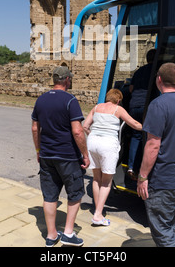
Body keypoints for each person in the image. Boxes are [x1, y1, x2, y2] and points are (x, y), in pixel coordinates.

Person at [137, 63, 175, 247]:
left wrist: (142, 177)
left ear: (159, 79)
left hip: (164, 179)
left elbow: (153, 145)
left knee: (162, 230)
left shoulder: (158, 105)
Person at [31, 66, 89, 247]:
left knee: (50, 196)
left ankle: (51, 235)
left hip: (47, 155)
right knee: (75, 193)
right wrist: (85, 154)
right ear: (67, 80)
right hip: (68, 157)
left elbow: (35, 128)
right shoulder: (70, 101)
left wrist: (39, 151)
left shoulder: (41, 100)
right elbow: (78, 132)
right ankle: (68, 233)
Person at [83, 89, 142, 226]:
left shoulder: (96, 107)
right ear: (119, 100)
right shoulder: (118, 109)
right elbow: (133, 123)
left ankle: (98, 209)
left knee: (96, 179)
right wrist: (147, 127)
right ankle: (98, 216)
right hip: (108, 145)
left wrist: (94, 134)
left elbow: (85, 126)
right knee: (106, 182)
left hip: (92, 142)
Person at [127, 49, 156, 179]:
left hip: (134, 106)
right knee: (149, 137)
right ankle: (144, 169)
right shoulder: (156, 71)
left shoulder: (139, 71)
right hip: (147, 107)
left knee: (136, 136)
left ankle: (131, 167)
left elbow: (131, 89)